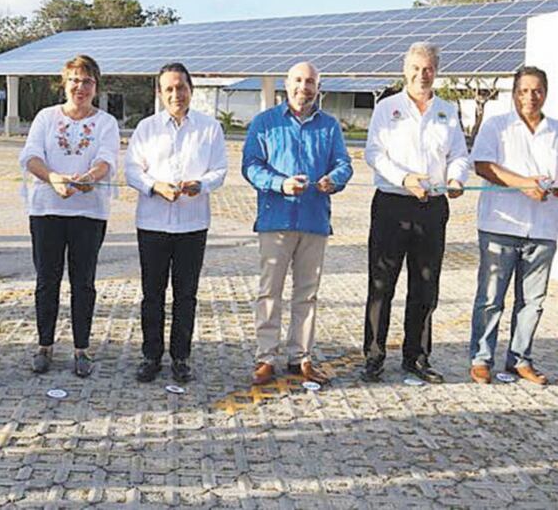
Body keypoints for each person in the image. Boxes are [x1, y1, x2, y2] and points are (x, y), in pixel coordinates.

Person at [362, 41, 469, 384]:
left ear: (436, 72)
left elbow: (460, 154)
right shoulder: (387, 108)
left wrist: (456, 178)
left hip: (432, 207)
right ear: (404, 69)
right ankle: (374, 357)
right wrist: (404, 178)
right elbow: (373, 154)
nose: (422, 75)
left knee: (425, 285)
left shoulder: (447, 111)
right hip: (392, 204)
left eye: (428, 69)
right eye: (416, 68)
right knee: (382, 284)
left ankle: (417, 357)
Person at [242, 61, 353, 386]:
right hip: (275, 219)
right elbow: (250, 165)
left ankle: (300, 357)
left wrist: (334, 179)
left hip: (314, 220)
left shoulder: (330, 126)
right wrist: (280, 184)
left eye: (310, 82)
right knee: (269, 293)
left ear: (318, 88)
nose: (303, 87)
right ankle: (266, 358)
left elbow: (344, 164)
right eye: (298, 80)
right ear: (286, 84)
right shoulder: (265, 123)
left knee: (306, 294)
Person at [125, 62, 227, 383]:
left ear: (191, 90)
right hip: (152, 223)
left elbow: (220, 170)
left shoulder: (210, 129)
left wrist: (202, 184)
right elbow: (131, 170)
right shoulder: (146, 128)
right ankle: (150, 356)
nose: (175, 94)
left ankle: (181, 357)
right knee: (152, 294)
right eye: (168, 88)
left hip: (192, 225)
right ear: (159, 92)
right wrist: (154, 186)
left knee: (186, 295)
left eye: (181, 87)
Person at [19, 55, 119, 378]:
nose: (80, 87)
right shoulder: (45, 118)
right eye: (74, 80)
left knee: (83, 282)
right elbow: (30, 156)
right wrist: (53, 178)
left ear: (96, 86)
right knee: (47, 281)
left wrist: (91, 177)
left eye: (87, 81)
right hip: (47, 210)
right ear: (64, 83)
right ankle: (44, 345)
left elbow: (106, 159)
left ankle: (81, 348)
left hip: (88, 214)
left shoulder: (106, 122)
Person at [468, 66, 558, 385]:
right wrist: (522, 183)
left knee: (532, 302)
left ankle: (520, 359)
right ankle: (481, 359)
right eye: (523, 91)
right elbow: (482, 165)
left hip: (544, 229)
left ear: (545, 93)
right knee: (491, 298)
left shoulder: (555, 130)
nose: (530, 97)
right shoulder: (496, 126)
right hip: (500, 224)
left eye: (536, 91)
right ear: (514, 93)